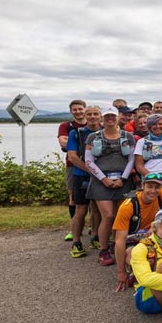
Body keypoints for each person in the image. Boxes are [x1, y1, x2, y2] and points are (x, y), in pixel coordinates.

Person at [84, 106, 136, 266]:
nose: (110, 120)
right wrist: (103, 179)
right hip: (101, 182)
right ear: (102, 119)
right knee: (107, 216)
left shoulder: (128, 137)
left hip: (123, 181)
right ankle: (104, 249)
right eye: (107, 117)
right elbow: (88, 161)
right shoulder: (93, 137)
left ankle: (118, 243)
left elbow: (132, 160)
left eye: (112, 116)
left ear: (118, 117)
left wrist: (123, 178)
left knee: (122, 216)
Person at [113, 174, 162, 292]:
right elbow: (119, 241)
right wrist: (120, 272)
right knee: (133, 255)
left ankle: (161, 274)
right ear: (142, 186)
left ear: (161, 188)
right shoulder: (127, 206)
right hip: (133, 239)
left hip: (154, 235)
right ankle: (138, 272)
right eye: (150, 186)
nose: (153, 191)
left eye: (157, 187)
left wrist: (156, 228)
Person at [66, 105, 103, 258]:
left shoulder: (105, 132)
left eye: (96, 114)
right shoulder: (76, 133)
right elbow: (72, 157)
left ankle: (95, 237)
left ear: (100, 116)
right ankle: (76, 242)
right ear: (85, 116)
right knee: (81, 210)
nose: (93, 116)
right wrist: (92, 171)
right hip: (81, 175)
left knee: (97, 209)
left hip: (101, 177)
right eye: (90, 114)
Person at [59, 99, 87, 241]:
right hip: (72, 165)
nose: (78, 112)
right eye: (75, 109)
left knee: (94, 201)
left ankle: (93, 230)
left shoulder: (92, 124)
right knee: (73, 197)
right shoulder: (66, 126)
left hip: (94, 167)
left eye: (80, 109)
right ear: (71, 111)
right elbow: (63, 143)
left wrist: (73, 144)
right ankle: (75, 229)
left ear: (85, 109)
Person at [133, 113, 162, 194]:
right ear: (149, 126)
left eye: (160, 124)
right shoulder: (142, 142)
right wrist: (155, 179)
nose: (157, 126)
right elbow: (139, 165)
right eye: (154, 124)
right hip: (149, 177)